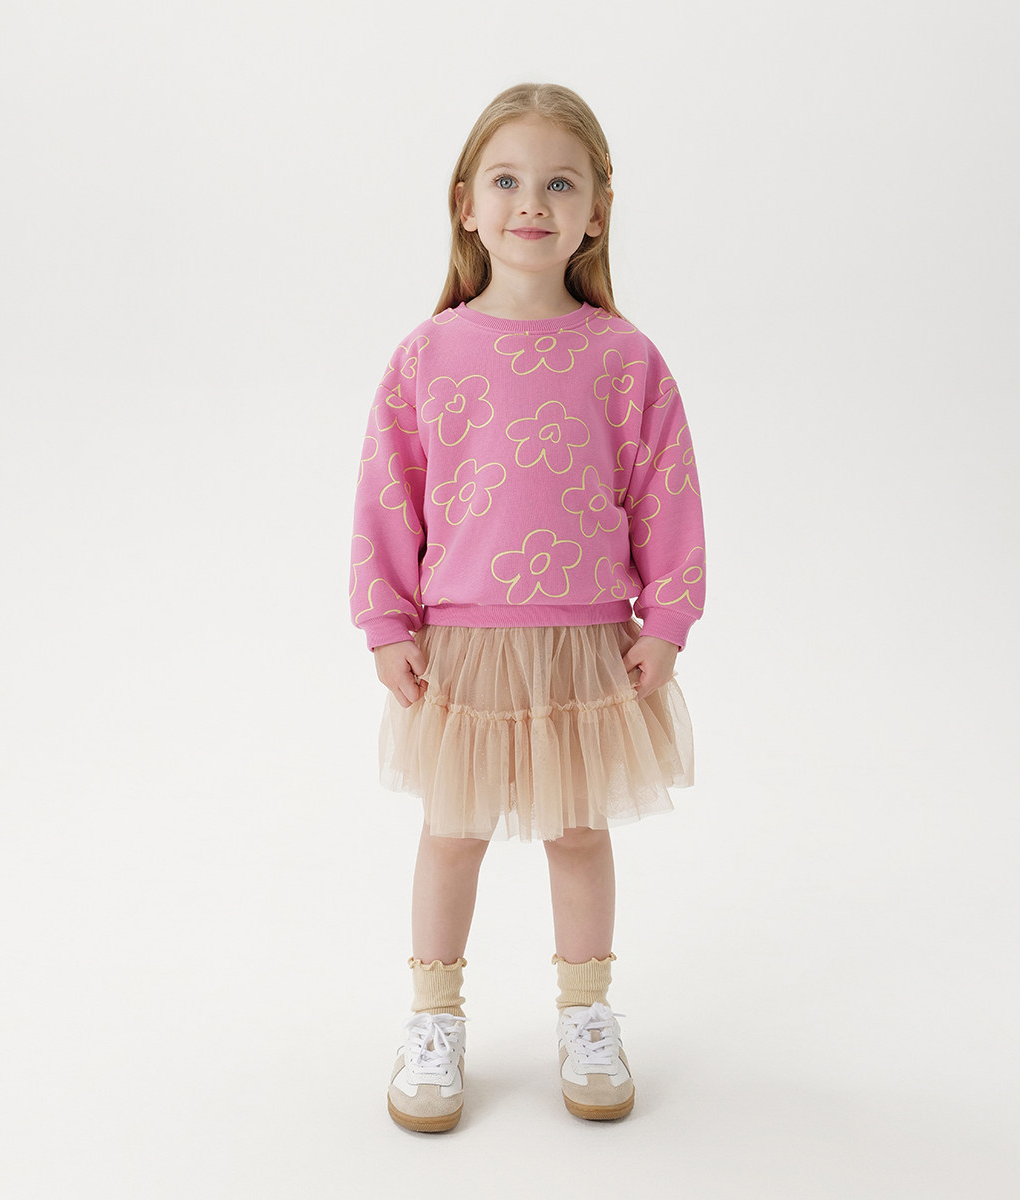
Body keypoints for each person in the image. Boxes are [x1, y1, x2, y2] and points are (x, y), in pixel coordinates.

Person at [349, 82, 705, 1132]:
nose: (532, 203)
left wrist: (668, 620)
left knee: (580, 833)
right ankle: (433, 1020)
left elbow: (667, 491)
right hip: (464, 646)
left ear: (597, 209)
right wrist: (385, 622)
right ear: (467, 204)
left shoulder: (625, 356)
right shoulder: (428, 353)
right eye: (507, 181)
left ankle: (587, 1013)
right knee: (451, 834)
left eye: (560, 183)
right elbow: (387, 494)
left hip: (586, 644)